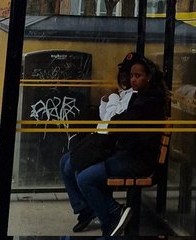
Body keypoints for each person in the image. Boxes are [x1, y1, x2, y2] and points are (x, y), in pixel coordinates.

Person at [61, 55, 169, 238]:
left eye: (137, 76)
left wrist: (114, 128)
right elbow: (123, 122)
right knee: (81, 168)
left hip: (136, 160)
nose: (133, 79)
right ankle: (108, 217)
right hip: (126, 153)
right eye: (131, 75)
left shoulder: (149, 101)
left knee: (85, 177)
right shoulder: (141, 97)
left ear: (148, 77)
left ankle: (112, 217)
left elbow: (127, 125)